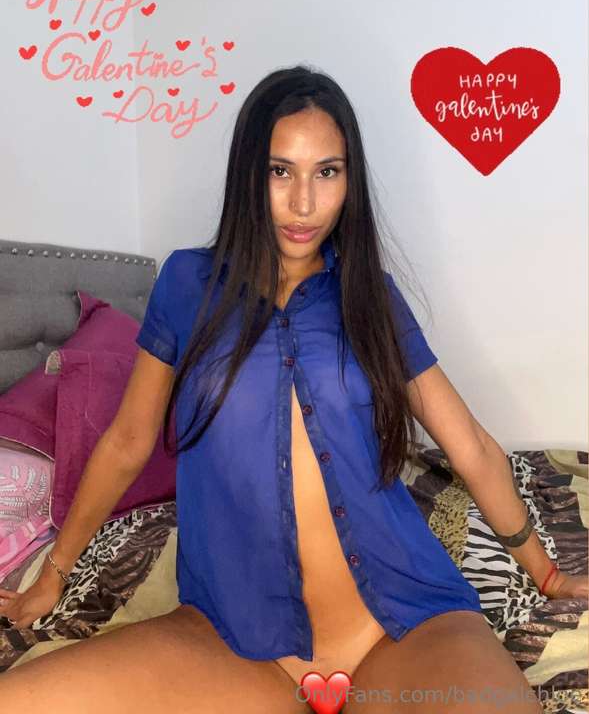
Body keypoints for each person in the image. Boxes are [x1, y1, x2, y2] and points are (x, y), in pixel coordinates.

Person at [2, 65, 582, 714]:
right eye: (280, 171)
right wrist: (52, 575)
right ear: (248, 174)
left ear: (349, 182)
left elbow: (468, 443)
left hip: (402, 622)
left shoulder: (370, 296)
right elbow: (127, 441)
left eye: (326, 172)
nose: (304, 204)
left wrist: (546, 572)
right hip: (234, 637)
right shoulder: (187, 284)